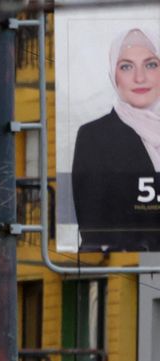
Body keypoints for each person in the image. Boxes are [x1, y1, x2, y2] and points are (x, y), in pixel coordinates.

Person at [71, 27, 160, 252]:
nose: (140, 77)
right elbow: (93, 228)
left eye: (150, 64)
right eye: (127, 66)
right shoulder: (94, 137)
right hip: (128, 268)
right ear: (113, 75)